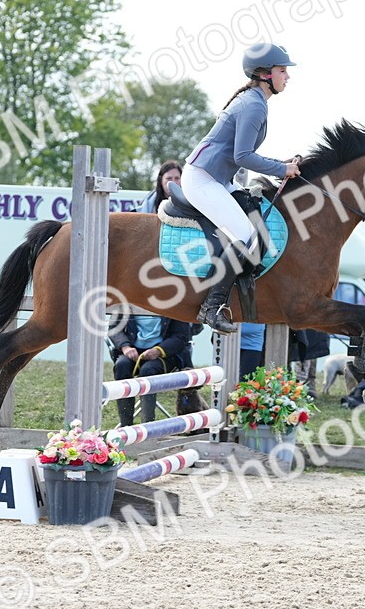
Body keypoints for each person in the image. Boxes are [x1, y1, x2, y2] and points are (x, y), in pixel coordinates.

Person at [182, 42, 300, 333]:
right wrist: (282, 169)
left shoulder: (254, 100)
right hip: (202, 179)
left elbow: (243, 156)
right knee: (246, 236)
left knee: (258, 226)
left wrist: (278, 164)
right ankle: (211, 308)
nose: (288, 76)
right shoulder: (253, 105)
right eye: (282, 71)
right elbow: (243, 157)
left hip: (219, 178)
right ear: (265, 74)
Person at [108, 315, 193, 426]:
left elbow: (181, 336)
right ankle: (125, 425)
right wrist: (125, 346)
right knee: (121, 366)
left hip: (165, 353)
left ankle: (147, 424)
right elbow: (114, 328)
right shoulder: (127, 299)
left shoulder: (175, 300)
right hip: (132, 349)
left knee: (148, 370)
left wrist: (159, 350)